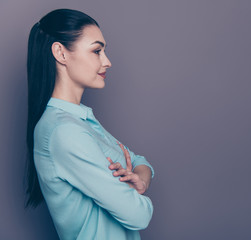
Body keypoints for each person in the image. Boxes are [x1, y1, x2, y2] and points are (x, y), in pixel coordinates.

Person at [25, 8, 154, 240]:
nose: (107, 61)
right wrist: (132, 191)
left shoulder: (80, 118)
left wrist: (140, 180)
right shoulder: (64, 131)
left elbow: (140, 162)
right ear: (60, 53)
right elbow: (139, 215)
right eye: (97, 51)